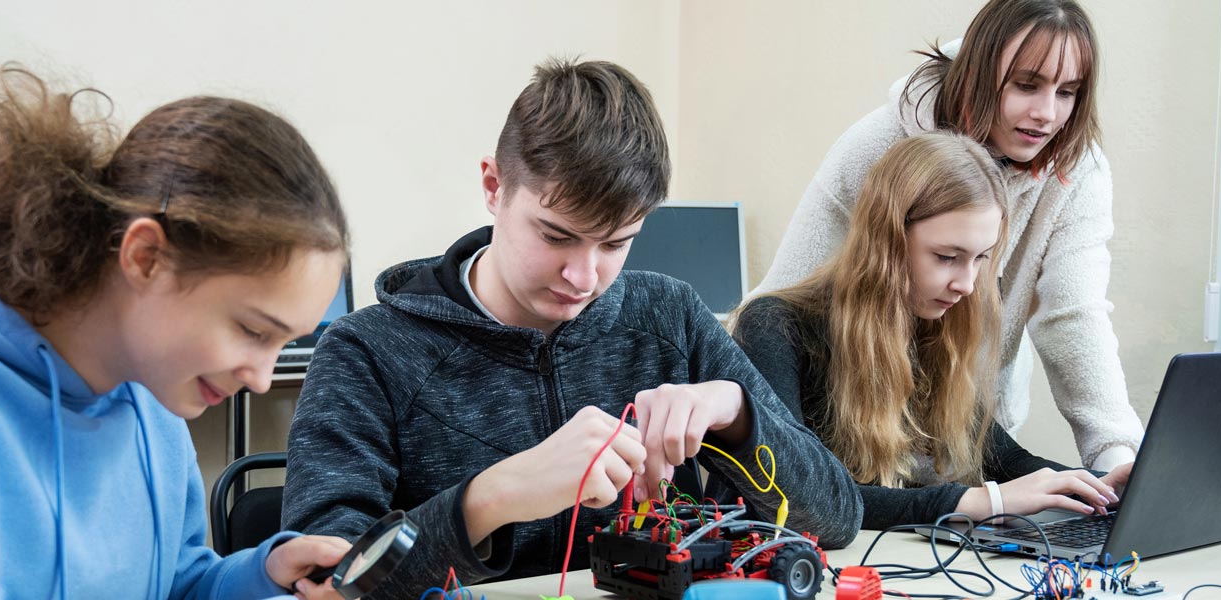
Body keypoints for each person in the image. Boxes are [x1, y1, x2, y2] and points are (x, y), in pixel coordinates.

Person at [283, 58, 861, 597]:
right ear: (494, 187)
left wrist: (738, 415)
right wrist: (491, 499)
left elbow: (837, 518)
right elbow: (325, 581)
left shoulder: (671, 316)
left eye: (616, 243)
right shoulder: (366, 351)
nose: (584, 278)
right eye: (556, 235)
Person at [0, 66, 353, 599]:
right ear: (146, 258)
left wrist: (258, 577)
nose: (262, 378)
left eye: (285, 342)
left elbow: (173, 584)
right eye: (253, 329)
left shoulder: (153, 399)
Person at [752, 0, 1142, 470]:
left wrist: (1115, 457)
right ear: (978, 73)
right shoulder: (878, 144)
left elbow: (1073, 315)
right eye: (1026, 85)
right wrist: (775, 439)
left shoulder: (1077, 172)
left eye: (1067, 92)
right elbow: (784, 304)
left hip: (965, 430)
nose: (1046, 113)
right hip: (842, 438)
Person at [731, 131, 1131, 531]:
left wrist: (1104, 486)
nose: (967, 284)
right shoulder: (773, 328)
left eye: (981, 258)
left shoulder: (932, 329)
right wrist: (979, 501)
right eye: (947, 257)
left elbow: (1005, 461)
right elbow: (795, 494)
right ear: (886, 241)